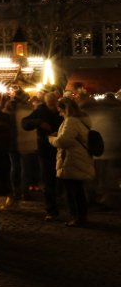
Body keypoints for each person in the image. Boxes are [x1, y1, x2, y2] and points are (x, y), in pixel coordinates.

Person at [50, 97, 94, 227]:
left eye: (60, 110)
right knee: (77, 190)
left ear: (65, 109)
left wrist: (51, 139)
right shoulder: (81, 120)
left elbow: (63, 141)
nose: (59, 113)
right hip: (78, 158)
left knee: (73, 191)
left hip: (72, 159)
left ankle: (77, 218)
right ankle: (80, 217)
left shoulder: (71, 121)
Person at [21, 90, 64, 219]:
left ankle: (60, 202)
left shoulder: (61, 111)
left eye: (54, 104)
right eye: (50, 104)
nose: (53, 107)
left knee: (60, 178)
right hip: (45, 150)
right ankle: (51, 210)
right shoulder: (40, 112)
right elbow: (25, 123)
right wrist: (38, 122)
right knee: (48, 180)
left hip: (60, 149)